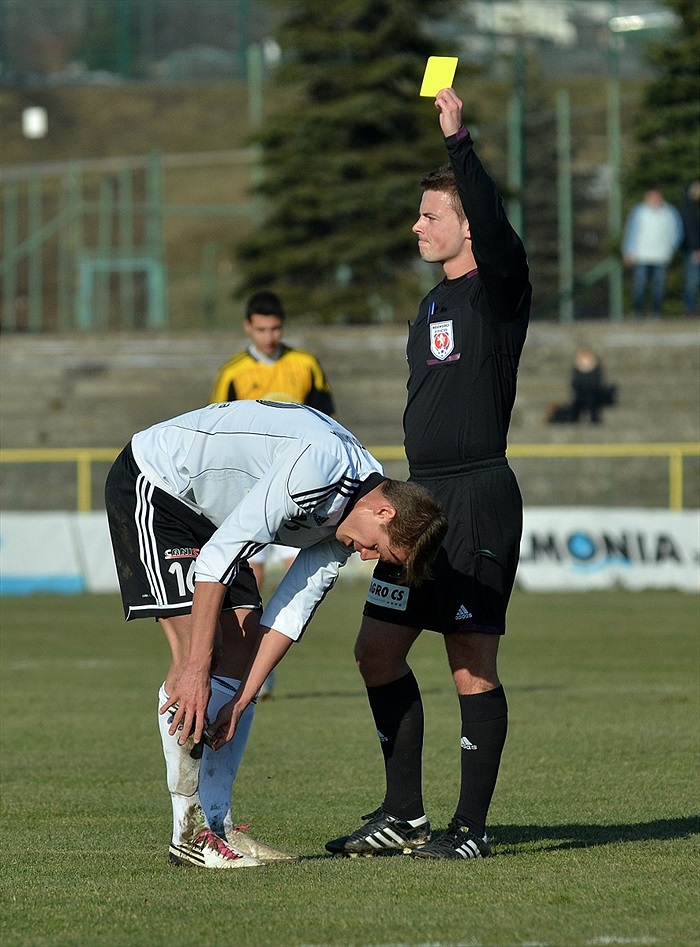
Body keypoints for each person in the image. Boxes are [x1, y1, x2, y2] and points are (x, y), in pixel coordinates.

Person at [323, 87, 531, 862]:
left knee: (470, 667)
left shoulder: (501, 292)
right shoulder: (430, 304)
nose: (417, 224)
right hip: (418, 499)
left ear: (468, 223)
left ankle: (470, 830)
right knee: (376, 650)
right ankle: (403, 814)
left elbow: (498, 229)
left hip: (477, 495)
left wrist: (459, 142)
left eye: (431, 214)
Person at [105, 399, 447, 869]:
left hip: (208, 514)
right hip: (157, 483)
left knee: (241, 654)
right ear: (384, 512)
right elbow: (214, 562)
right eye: (380, 550)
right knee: (194, 659)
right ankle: (188, 833)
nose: (367, 559)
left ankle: (218, 826)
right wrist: (197, 671)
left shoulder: (350, 514)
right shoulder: (317, 471)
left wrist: (243, 698)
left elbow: (291, 610)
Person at [210, 290, 337, 696]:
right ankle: (251, 665)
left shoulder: (305, 364)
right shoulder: (233, 372)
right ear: (248, 326)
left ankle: (264, 663)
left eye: (275, 328)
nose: (269, 335)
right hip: (251, 491)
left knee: (302, 575)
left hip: (300, 490)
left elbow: (327, 419)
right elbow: (219, 430)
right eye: (261, 328)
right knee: (251, 577)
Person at [622, 187, 683, 319]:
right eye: (651, 196)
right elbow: (631, 232)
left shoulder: (669, 212)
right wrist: (628, 251)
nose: (654, 199)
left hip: (661, 256)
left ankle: (656, 314)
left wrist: (672, 248)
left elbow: (677, 232)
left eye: (656, 196)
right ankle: (637, 313)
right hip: (641, 256)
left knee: (658, 288)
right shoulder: (639, 211)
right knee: (639, 287)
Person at [547, 347, 616, 425]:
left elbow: (598, 384)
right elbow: (575, 384)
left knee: (591, 402)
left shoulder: (597, 370)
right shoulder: (576, 370)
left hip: (593, 397)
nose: (585, 358)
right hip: (579, 397)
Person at [680, 181, 700, 318]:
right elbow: (691, 230)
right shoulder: (689, 209)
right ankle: (690, 310)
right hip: (694, 250)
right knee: (692, 282)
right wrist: (696, 248)